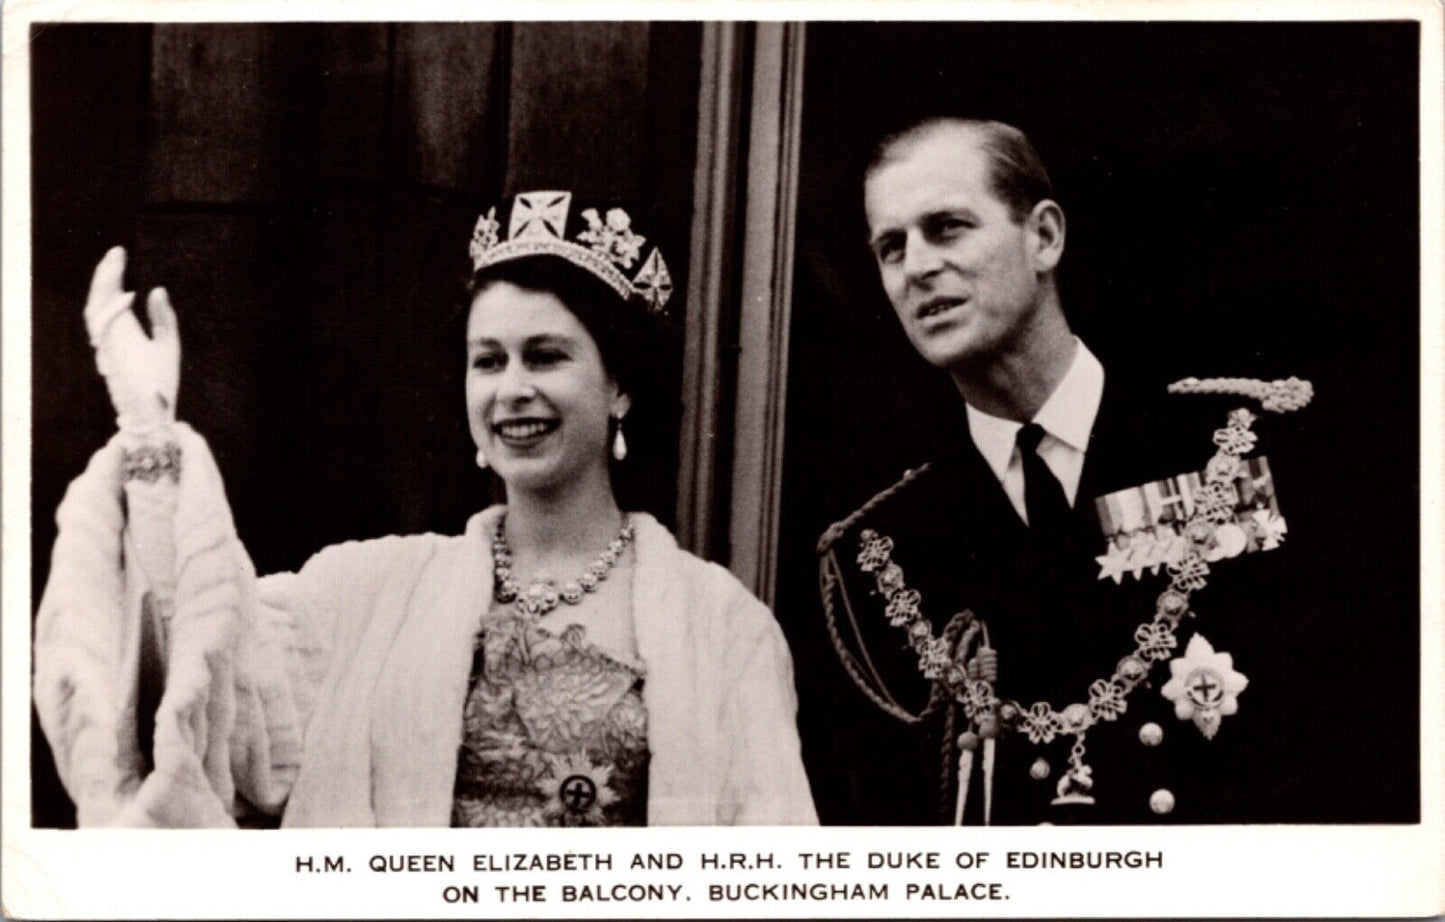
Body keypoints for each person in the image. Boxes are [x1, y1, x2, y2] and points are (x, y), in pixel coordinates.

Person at [34, 191, 817, 828]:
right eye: (488, 361)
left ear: (620, 387)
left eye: (546, 356)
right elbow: (215, 696)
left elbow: (769, 868)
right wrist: (149, 440)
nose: (512, 389)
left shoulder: (721, 627)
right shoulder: (362, 592)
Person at [808, 117, 1362, 825]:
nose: (915, 266)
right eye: (891, 247)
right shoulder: (877, 551)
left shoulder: (1237, 448)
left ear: (1043, 237)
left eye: (946, 228)